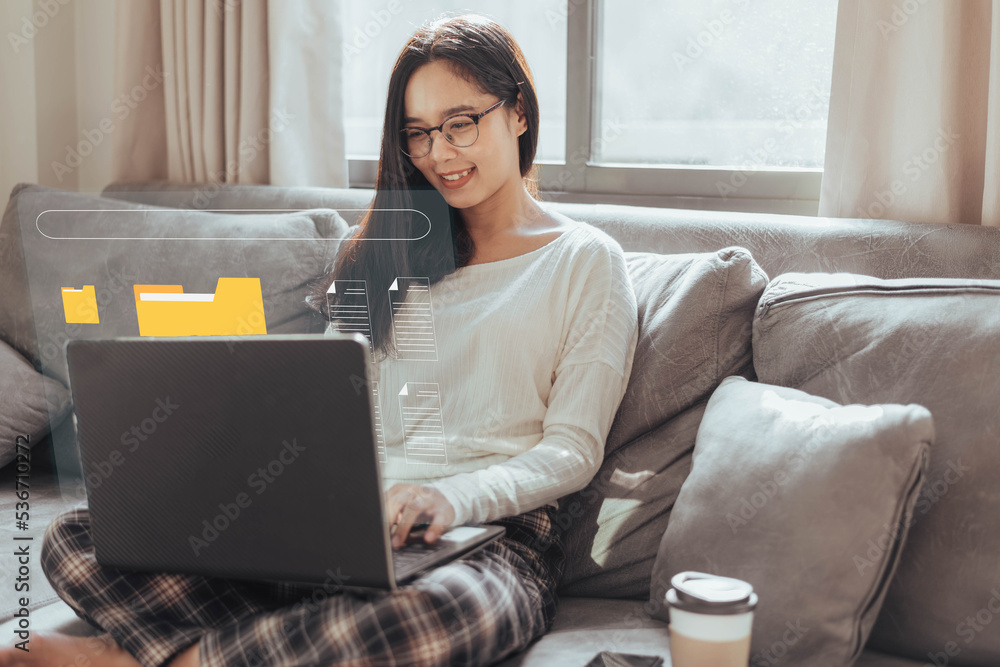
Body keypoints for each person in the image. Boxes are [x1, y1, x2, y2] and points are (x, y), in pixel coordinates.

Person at [0, 13, 637, 667]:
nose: (440, 154)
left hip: (491, 541)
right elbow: (325, 398)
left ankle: (141, 659)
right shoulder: (390, 253)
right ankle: (294, 639)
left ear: (520, 112)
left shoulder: (585, 260)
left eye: (460, 123)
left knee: (431, 617)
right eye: (417, 134)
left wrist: (451, 496)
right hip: (337, 529)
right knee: (78, 535)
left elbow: (573, 450)